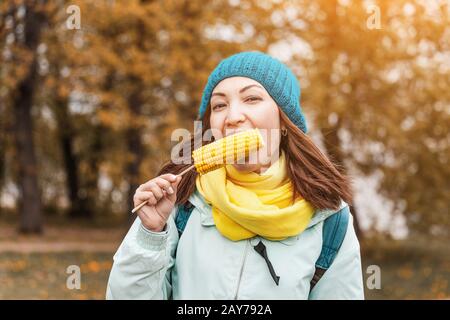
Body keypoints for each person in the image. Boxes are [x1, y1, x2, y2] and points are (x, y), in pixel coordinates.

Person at [106, 51, 364, 299]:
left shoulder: (329, 219)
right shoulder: (179, 201)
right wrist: (150, 236)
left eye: (251, 99)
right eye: (219, 105)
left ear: (284, 123)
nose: (232, 117)